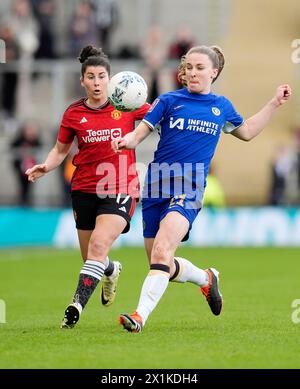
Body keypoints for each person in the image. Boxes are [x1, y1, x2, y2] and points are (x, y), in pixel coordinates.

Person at [112, 45, 292, 333]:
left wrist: (273, 103)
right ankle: (206, 278)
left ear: (214, 72)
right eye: (189, 68)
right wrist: (128, 140)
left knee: (162, 251)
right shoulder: (168, 100)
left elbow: (246, 131)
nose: (193, 73)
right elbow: (141, 131)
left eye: (199, 68)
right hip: (157, 183)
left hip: (190, 185)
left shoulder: (221, 106)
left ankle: (139, 317)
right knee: (162, 263)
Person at [26, 45, 150, 328]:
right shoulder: (73, 114)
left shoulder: (128, 104)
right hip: (83, 188)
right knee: (91, 257)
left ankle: (75, 306)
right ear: (82, 80)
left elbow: (157, 116)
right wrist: (46, 165)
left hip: (120, 186)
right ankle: (110, 269)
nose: (97, 82)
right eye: (91, 77)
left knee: (98, 244)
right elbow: (60, 150)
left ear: (111, 78)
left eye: (102, 76)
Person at [10, 120, 42, 205]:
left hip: (32, 167)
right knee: (22, 185)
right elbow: (12, 148)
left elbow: (40, 147)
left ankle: (28, 201)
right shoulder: (19, 140)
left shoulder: (35, 140)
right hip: (21, 168)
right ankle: (22, 201)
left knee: (30, 185)